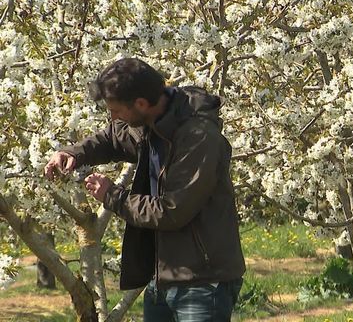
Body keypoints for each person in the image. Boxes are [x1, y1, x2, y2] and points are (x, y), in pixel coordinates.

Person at [44, 58, 245, 322]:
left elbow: (172, 211)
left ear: (140, 103)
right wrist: (72, 153)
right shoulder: (149, 123)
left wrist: (111, 196)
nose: (113, 117)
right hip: (163, 277)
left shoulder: (197, 137)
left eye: (116, 110)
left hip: (202, 282)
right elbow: (112, 138)